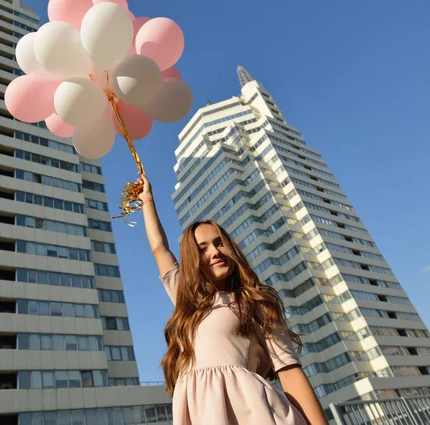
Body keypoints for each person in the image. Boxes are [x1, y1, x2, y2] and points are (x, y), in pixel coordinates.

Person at [137, 174, 328, 425]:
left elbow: (288, 370)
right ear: (193, 259)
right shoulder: (188, 302)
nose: (214, 252)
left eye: (219, 243)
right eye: (202, 248)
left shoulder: (255, 302)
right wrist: (147, 200)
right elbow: (159, 248)